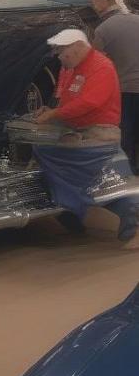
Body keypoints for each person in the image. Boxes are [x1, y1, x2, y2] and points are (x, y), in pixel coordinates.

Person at [33, 28, 139, 242]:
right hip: (74, 130)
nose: (60, 56)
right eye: (58, 52)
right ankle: (71, 214)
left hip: (100, 133)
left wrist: (56, 113)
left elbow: (90, 102)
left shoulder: (102, 67)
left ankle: (130, 228)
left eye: (64, 51)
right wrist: (49, 109)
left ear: (79, 47)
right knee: (41, 151)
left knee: (106, 181)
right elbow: (62, 96)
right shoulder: (68, 68)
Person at [91, 0, 139, 171]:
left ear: (102, 0)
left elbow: (95, 67)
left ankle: (127, 175)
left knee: (125, 132)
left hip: (125, 89)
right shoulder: (136, 20)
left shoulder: (103, 30)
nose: (93, 5)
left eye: (94, 1)